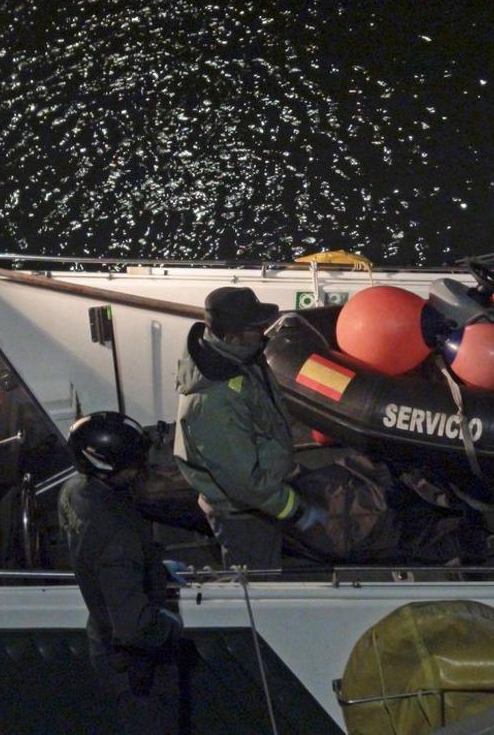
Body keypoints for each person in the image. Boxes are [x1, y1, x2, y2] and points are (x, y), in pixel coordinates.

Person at [173, 286, 326, 571]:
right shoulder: (213, 402)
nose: (264, 332)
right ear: (231, 336)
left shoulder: (238, 359)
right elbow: (244, 482)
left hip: (258, 499)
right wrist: (294, 509)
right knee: (256, 581)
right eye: (255, 328)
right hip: (242, 514)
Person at [59, 411, 183, 735]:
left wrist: (149, 567)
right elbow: (134, 628)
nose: (141, 469)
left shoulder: (72, 491)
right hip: (134, 668)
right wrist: (173, 633)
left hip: (100, 635)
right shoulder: (117, 533)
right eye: (133, 465)